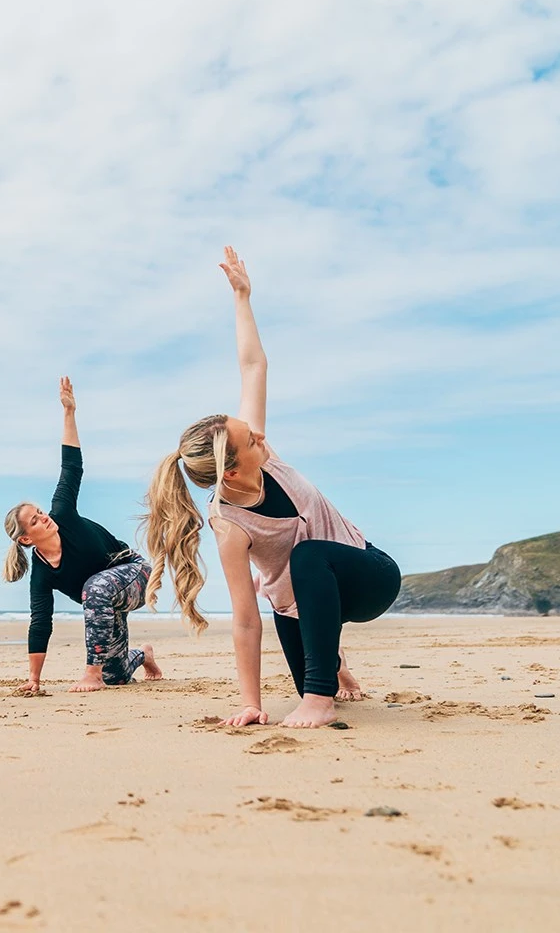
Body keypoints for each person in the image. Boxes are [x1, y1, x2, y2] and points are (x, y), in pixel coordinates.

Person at [142, 247, 398, 728]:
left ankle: (320, 699)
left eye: (250, 429)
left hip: (369, 577)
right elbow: (244, 618)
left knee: (307, 558)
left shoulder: (264, 456)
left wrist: (242, 297)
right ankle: (330, 672)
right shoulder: (229, 524)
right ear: (231, 472)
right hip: (299, 609)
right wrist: (250, 703)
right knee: (290, 609)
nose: (259, 435)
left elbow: (253, 367)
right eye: (249, 438)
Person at [3, 377, 163, 693]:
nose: (44, 519)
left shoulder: (62, 513)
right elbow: (40, 623)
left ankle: (91, 674)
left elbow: (71, 467)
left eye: (41, 513)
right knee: (116, 676)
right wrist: (34, 680)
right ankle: (143, 655)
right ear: (26, 539)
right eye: (35, 521)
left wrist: (69, 412)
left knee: (95, 586)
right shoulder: (42, 576)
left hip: (136, 575)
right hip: (105, 603)